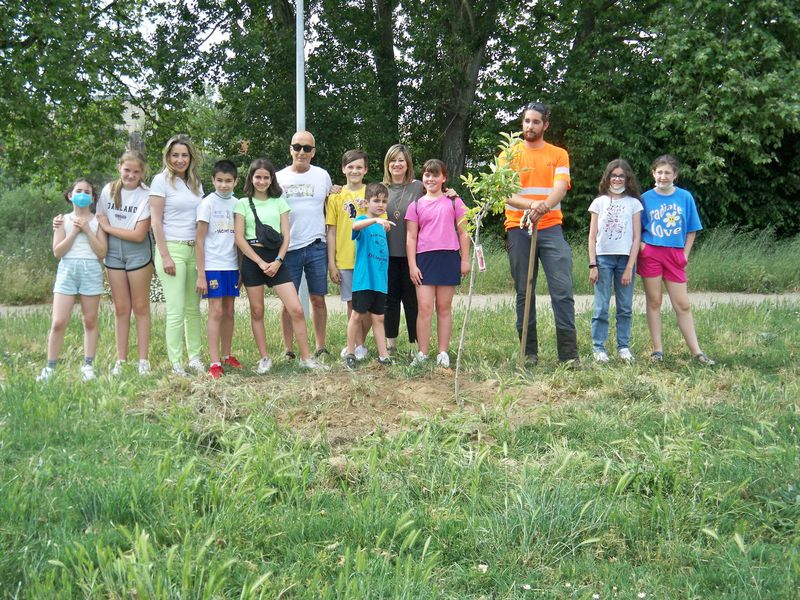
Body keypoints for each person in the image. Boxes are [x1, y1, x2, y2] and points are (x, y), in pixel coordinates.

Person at [502, 101, 578, 366]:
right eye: (526, 121)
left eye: (535, 122)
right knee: (525, 290)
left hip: (550, 227)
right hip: (518, 227)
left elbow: (560, 188)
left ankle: (569, 356)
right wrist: (531, 206)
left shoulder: (559, 154)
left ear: (545, 125)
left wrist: (543, 207)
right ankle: (529, 352)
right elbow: (507, 195)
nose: (530, 126)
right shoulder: (509, 154)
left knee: (562, 290)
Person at [234, 158, 326, 372]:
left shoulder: (279, 202)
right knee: (257, 311)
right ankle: (264, 358)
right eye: (258, 177)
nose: (262, 181)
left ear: (271, 179)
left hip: (276, 259)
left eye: (266, 177)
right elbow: (239, 238)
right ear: (251, 178)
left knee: (295, 308)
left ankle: (306, 357)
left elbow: (286, 236)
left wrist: (277, 261)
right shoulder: (242, 203)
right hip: (253, 258)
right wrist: (259, 261)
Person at [638, 155, 715, 365]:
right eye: (659, 172)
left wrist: (685, 254)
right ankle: (658, 350)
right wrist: (643, 247)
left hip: (675, 254)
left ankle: (697, 352)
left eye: (667, 173)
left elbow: (692, 229)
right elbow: (636, 228)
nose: (663, 176)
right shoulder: (645, 198)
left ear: (675, 175)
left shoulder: (685, 197)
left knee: (683, 304)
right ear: (653, 173)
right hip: (651, 253)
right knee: (654, 301)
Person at [37, 179, 108, 382]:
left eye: (87, 192)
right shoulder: (62, 220)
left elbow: (102, 251)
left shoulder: (98, 221)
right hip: (67, 271)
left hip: (91, 270)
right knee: (58, 322)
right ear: (70, 195)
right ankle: (50, 368)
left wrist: (86, 229)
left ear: (93, 198)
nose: (83, 194)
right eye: (79, 191)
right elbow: (58, 251)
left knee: (90, 320)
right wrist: (75, 231)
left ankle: (88, 365)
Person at [405, 159, 470, 368]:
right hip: (424, 259)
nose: (431, 179)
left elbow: (463, 232)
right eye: (427, 175)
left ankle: (442, 352)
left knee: (444, 307)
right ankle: (422, 352)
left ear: (444, 178)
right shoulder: (415, 205)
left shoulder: (454, 202)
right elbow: (411, 237)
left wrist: (465, 260)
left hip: (448, 258)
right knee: (424, 308)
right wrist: (412, 265)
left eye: (435, 175)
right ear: (422, 178)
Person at [149, 134, 205, 376]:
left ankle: (195, 357)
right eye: (175, 155)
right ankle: (176, 362)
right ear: (168, 157)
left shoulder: (195, 183)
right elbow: (155, 222)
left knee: (193, 309)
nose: (180, 160)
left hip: (195, 249)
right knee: (176, 309)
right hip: (171, 249)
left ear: (190, 157)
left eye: (184, 155)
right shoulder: (160, 181)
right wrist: (165, 256)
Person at [96, 150, 153, 377]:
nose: (130, 175)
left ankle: (143, 361)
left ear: (142, 173)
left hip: (137, 252)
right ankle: (121, 360)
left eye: (136, 171)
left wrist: (109, 228)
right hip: (113, 253)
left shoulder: (147, 194)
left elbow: (139, 234)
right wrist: (103, 249)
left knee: (140, 307)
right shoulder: (108, 190)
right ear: (119, 167)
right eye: (127, 170)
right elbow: (99, 222)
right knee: (121, 308)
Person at [276, 131, 333, 359]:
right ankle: (288, 349)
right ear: (290, 149)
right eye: (297, 147)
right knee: (288, 302)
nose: (301, 152)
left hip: (317, 245)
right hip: (288, 248)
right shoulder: (278, 177)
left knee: (318, 298)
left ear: (313, 152)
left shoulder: (323, 176)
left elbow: (332, 204)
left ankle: (320, 347)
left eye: (307, 148)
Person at [588, 159, 642, 363]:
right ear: (608, 177)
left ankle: (623, 346)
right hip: (602, 259)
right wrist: (593, 264)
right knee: (601, 306)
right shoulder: (599, 202)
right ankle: (598, 347)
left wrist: (629, 267)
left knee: (625, 306)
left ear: (627, 179)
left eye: (621, 176)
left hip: (625, 260)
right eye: (614, 175)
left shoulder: (634, 204)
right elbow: (592, 237)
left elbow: (637, 237)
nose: (617, 179)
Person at [196, 159, 242, 379]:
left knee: (229, 311)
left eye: (228, 181)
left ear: (235, 182)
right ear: (213, 180)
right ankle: (214, 362)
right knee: (216, 312)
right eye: (220, 181)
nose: (224, 185)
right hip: (213, 265)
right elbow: (199, 239)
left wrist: (241, 269)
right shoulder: (207, 203)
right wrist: (201, 273)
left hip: (231, 265)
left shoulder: (238, 204)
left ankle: (227, 355)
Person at [326, 149, 371, 361]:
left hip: (368, 258)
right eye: (350, 167)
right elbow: (332, 231)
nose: (354, 171)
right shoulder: (336, 196)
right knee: (352, 305)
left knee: (370, 305)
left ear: (366, 170)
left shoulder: (371, 193)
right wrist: (332, 264)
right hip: (345, 258)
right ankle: (355, 345)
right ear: (343, 169)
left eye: (359, 167)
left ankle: (361, 342)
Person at [343, 183, 394, 369]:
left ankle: (383, 355)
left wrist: (381, 223)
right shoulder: (365, 221)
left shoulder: (383, 226)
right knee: (357, 316)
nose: (380, 205)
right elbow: (356, 225)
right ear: (367, 202)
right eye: (376, 201)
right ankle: (350, 352)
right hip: (364, 281)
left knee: (379, 318)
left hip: (380, 282)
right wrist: (375, 221)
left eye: (384, 201)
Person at [382, 144, 423, 355]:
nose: (397, 164)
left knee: (411, 299)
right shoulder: (380, 188)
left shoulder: (419, 187)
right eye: (393, 160)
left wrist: (451, 193)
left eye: (401, 160)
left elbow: (439, 195)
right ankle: (390, 343)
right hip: (386, 254)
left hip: (412, 255)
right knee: (390, 300)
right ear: (387, 164)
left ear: (408, 164)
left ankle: (415, 343)